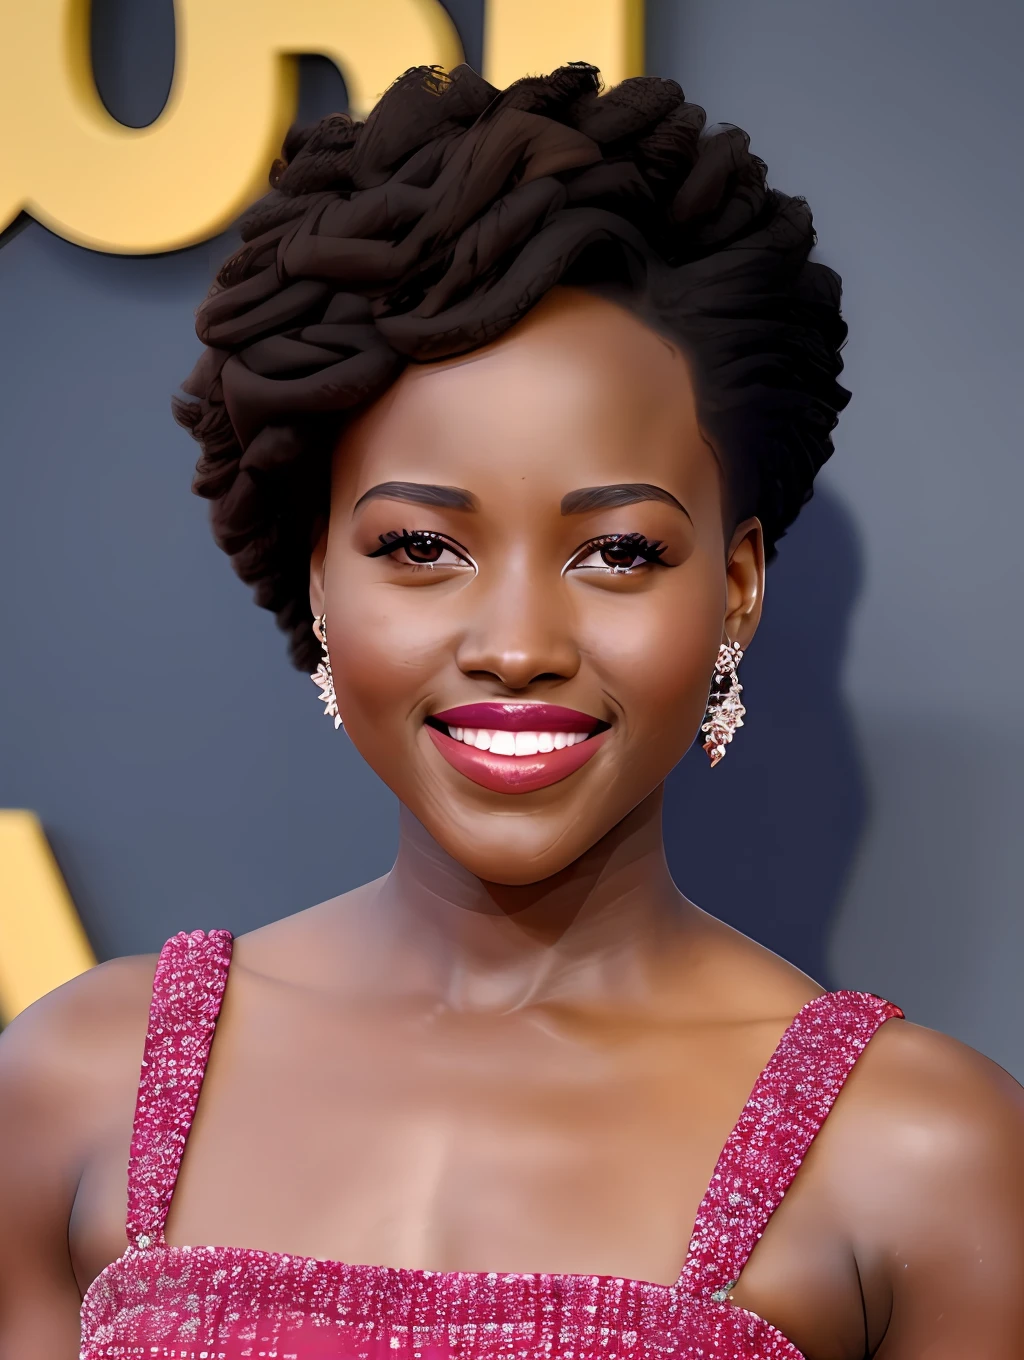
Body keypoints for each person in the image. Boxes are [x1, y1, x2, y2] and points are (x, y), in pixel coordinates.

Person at [0, 63, 1021, 1360]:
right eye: (422, 546)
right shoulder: (83, 1077)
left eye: (620, 553)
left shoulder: (920, 1155)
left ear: (739, 588)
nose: (520, 646)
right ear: (319, 575)